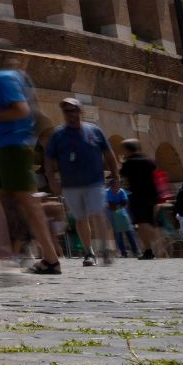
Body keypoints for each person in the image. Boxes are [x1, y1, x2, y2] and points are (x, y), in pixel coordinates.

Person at [0, 41, 63, 274]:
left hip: (13, 146)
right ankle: (13, 252)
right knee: (6, 199)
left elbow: (21, 110)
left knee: (27, 202)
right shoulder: (15, 76)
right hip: (13, 146)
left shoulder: (3, 78)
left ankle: (49, 257)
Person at [43, 98, 116, 267]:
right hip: (71, 184)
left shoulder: (94, 131)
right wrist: (51, 179)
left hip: (95, 182)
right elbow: (48, 158)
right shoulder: (58, 134)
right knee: (81, 218)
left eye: (72, 110)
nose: (69, 114)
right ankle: (88, 252)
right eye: (66, 111)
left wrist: (116, 176)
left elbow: (109, 153)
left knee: (98, 213)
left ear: (79, 111)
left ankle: (105, 248)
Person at [117, 139, 163, 259]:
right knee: (150, 221)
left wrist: (122, 162)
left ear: (127, 150)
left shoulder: (129, 163)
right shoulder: (149, 160)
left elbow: (122, 174)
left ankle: (149, 250)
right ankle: (159, 242)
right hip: (153, 195)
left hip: (138, 196)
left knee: (142, 223)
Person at [106, 177, 137, 258]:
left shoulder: (121, 191)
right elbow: (110, 205)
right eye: (115, 186)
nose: (117, 188)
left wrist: (117, 205)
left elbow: (125, 202)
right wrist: (118, 204)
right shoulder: (107, 192)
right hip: (112, 215)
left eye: (118, 186)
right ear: (111, 186)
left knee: (129, 232)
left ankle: (136, 250)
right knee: (118, 234)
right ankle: (123, 252)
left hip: (123, 214)